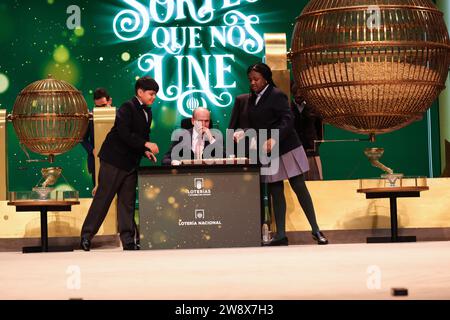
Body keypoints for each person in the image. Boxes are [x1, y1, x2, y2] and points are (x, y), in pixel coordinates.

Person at [233, 62, 328, 246]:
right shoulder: (252, 98)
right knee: (276, 191)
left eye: (256, 79)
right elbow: (256, 124)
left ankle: (316, 230)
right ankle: (281, 235)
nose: (252, 82)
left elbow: (287, 119)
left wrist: (274, 138)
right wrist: (243, 131)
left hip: (286, 147)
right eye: (250, 79)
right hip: (267, 151)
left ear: (266, 79)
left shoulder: (276, 95)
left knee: (299, 187)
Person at [80, 77, 160, 251]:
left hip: (131, 162)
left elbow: (139, 139)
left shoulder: (148, 111)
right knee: (103, 199)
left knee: (127, 203)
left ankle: (128, 241)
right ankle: (86, 236)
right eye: (151, 94)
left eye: (155, 94)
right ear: (140, 92)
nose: (153, 97)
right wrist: (146, 145)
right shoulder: (127, 107)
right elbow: (124, 133)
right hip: (114, 160)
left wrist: (144, 151)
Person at [291, 81, 324, 180]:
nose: (298, 95)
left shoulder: (314, 108)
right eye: (296, 93)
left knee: (315, 181)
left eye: (301, 93)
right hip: (294, 150)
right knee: (296, 181)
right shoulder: (288, 108)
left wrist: (314, 144)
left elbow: (320, 130)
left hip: (311, 151)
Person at [81, 88, 113, 188]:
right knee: (99, 193)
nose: (100, 110)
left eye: (103, 105)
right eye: (97, 107)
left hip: (115, 162)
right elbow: (82, 138)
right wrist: (92, 150)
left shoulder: (119, 116)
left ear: (109, 101)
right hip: (96, 161)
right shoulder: (90, 117)